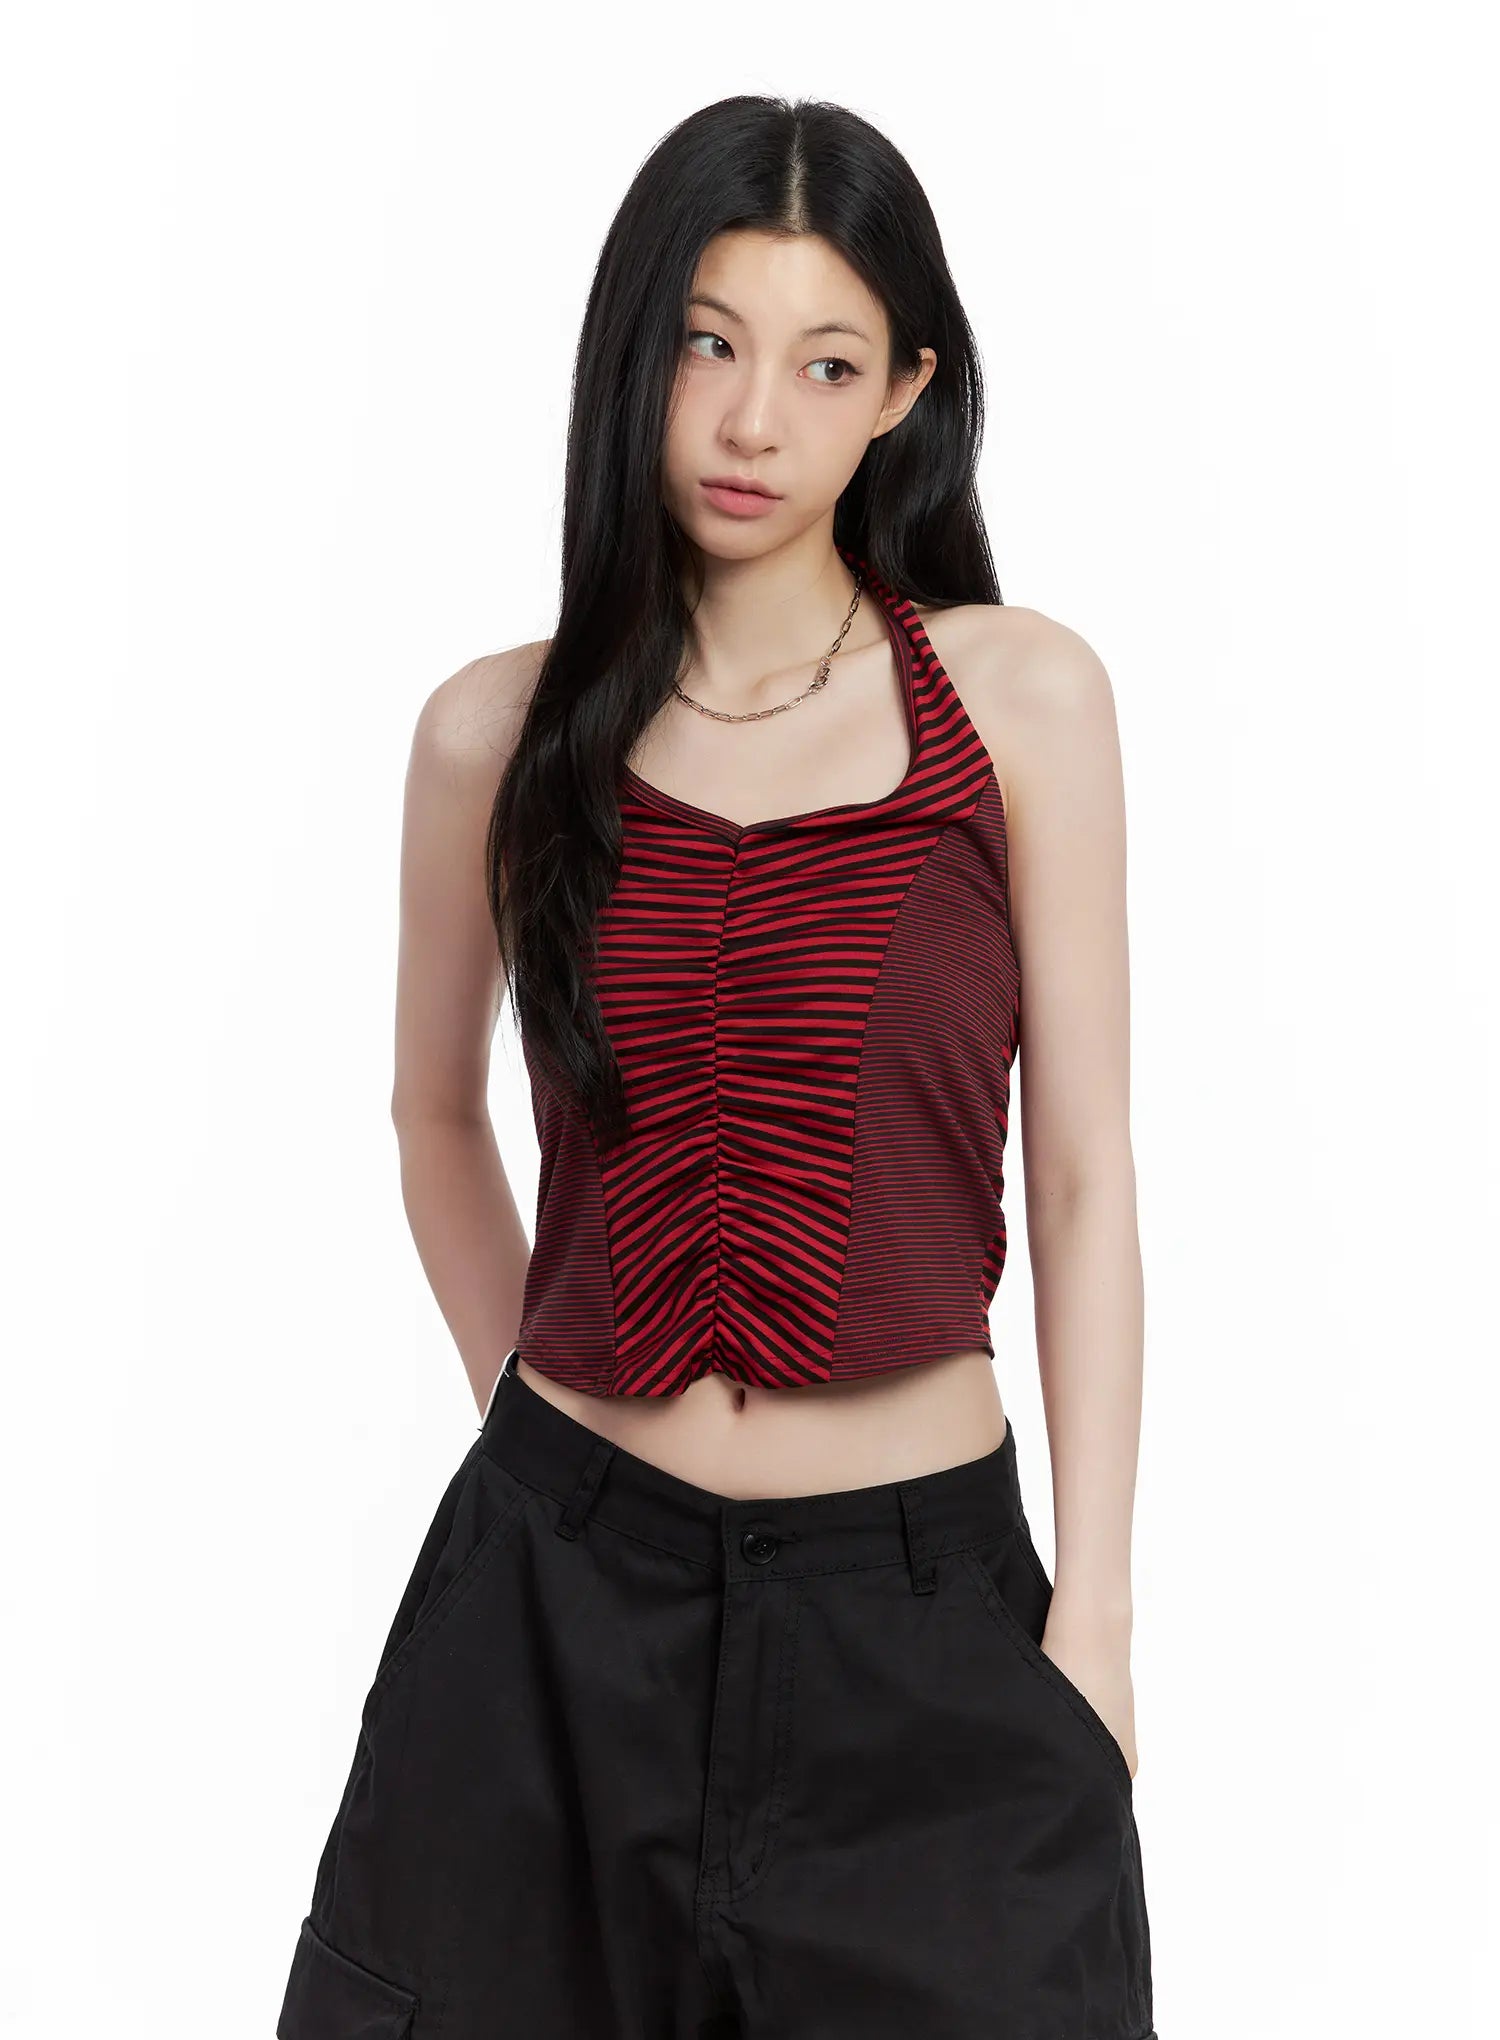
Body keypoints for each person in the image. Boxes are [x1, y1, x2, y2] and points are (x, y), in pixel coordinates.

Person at [277, 93, 1157, 2040]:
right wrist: (546, 1458)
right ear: (633, 350)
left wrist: (1092, 1618)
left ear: (905, 394)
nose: (754, 419)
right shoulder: (493, 736)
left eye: (826, 363)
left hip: (927, 1627)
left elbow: (1087, 1172)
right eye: (707, 342)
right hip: (543, 1632)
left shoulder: (1020, 701)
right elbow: (432, 1114)